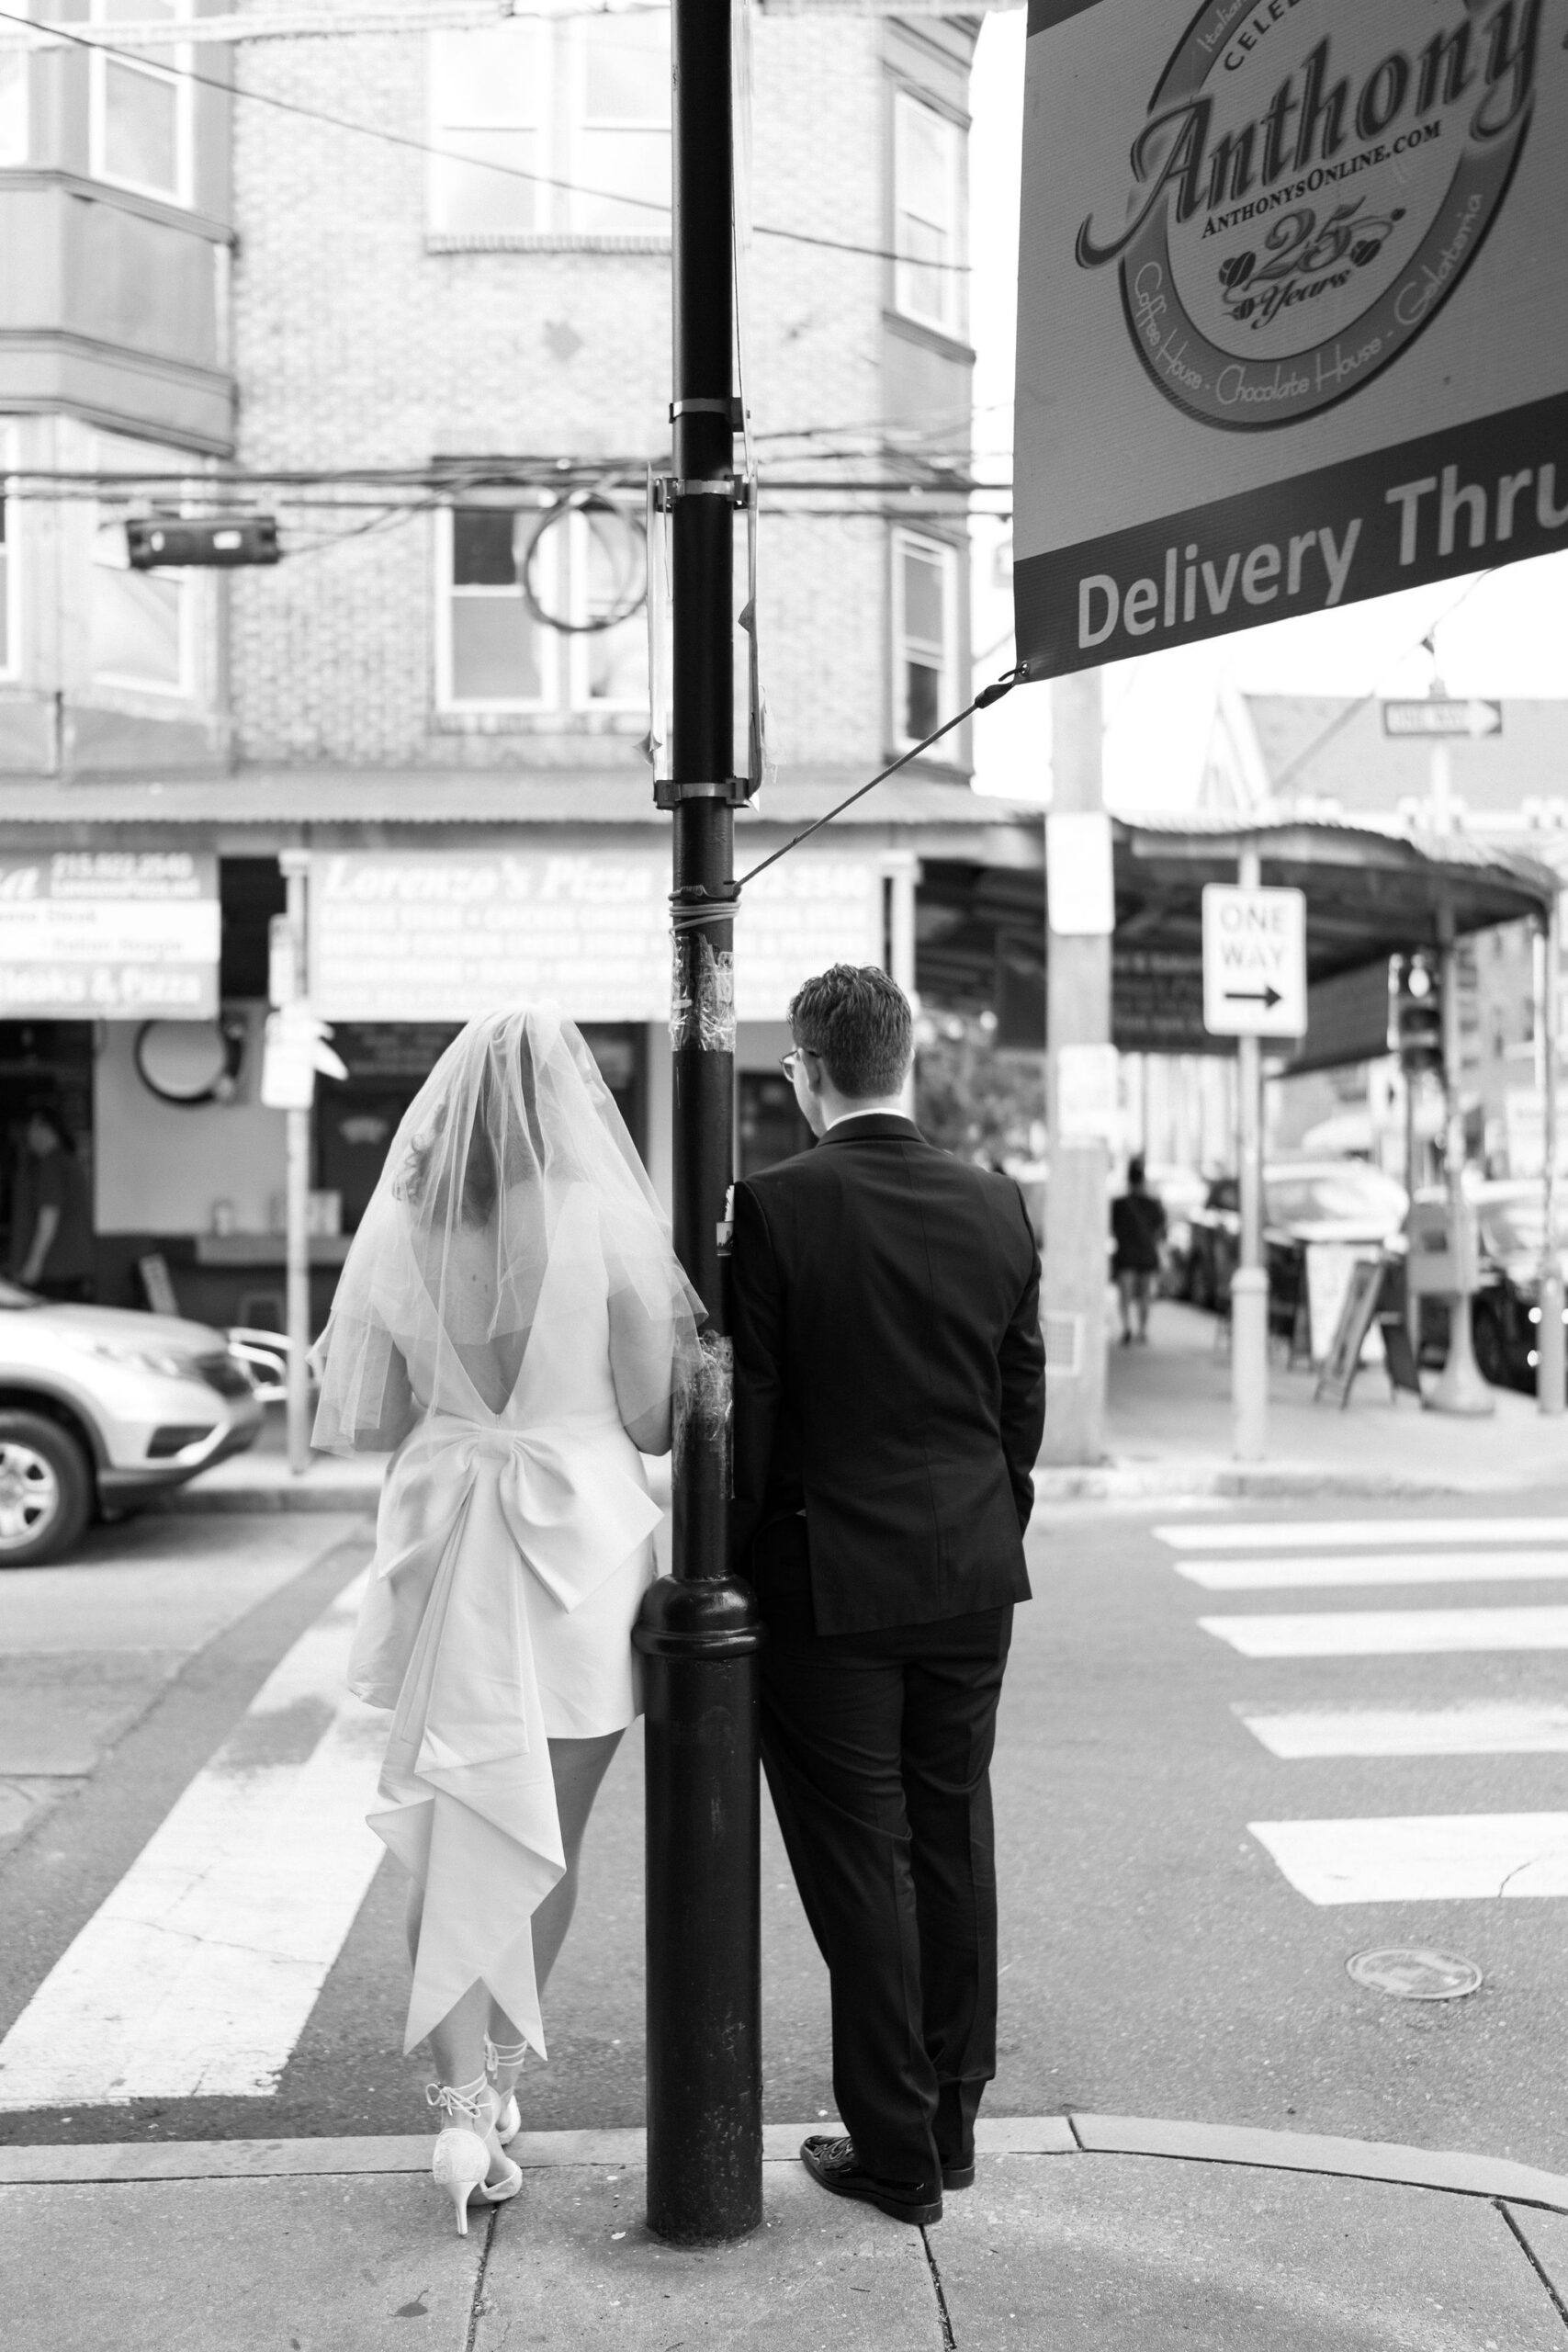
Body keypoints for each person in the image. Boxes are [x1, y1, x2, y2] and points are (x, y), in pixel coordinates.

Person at [310, 1006, 698, 2234]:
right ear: (567, 1108)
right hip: (575, 1554)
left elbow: (366, 1415)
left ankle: (460, 2106)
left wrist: (463, 1410)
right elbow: (650, 1418)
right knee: (546, 1835)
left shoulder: (409, 1229)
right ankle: (503, 2087)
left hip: (447, 1537)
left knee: (446, 1824)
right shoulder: (606, 1222)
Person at [729, 964, 1045, 2229]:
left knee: (861, 1866)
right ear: (905, 1060)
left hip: (827, 1582)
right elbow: (1017, 1409)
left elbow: (745, 1425)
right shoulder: (994, 1203)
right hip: (968, 1571)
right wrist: (985, 1524)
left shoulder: (773, 1206)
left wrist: (738, 1570)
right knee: (951, 1837)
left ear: (803, 1070)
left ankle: (895, 2151)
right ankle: (951, 2126)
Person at [8, 1110, 95, 1301]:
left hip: (54, 1270)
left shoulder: (51, 1165)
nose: (29, 1137)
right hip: (77, 1266)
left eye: (31, 1130)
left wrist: (34, 1263)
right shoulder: (70, 1161)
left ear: (44, 1128)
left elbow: (49, 1216)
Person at [1110, 1155, 1167, 1345]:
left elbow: (1112, 1228)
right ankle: (1142, 1330)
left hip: (1126, 1254)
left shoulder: (1119, 1204)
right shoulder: (1153, 1204)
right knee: (1144, 1295)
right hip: (1146, 1255)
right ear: (1143, 1180)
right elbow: (1160, 1230)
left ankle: (1127, 1328)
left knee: (1125, 1293)